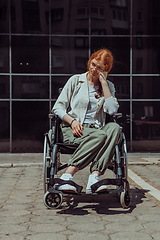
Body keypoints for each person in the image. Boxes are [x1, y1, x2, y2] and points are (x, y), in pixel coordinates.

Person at [52, 48, 121, 194]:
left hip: (96, 130)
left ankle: (94, 178)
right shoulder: (76, 80)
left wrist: (104, 84)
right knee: (101, 135)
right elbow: (57, 108)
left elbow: (112, 110)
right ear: (90, 61)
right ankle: (67, 176)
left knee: (115, 128)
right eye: (93, 64)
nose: (94, 69)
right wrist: (72, 121)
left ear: (105, 69)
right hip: (73, 129)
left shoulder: (109, 86)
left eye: (99, 67)